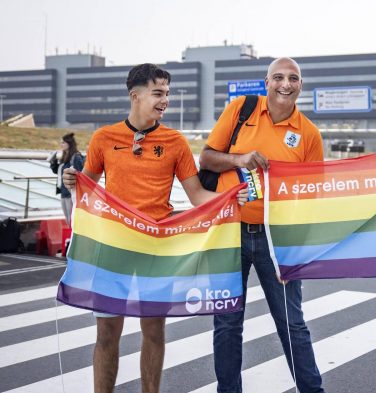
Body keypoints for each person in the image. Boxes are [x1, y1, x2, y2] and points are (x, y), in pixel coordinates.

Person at [63, 63, 247, 393]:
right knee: (106, 334)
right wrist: (69, 180)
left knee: (153, 331)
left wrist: (230, 197)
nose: (165, 101)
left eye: (168, 94)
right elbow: (86, 186)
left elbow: (196, 195)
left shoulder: (175, 142)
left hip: (156, 248)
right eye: (158, 93)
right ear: (135, 95)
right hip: (112, 248)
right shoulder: (104, 137)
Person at [200, 57, 325, 393]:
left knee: (291, 323)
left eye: (294, 78)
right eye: (279, 77)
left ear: (301, 85)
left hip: (277, 239)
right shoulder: (242, 109)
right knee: (227, 323)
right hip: (230, 231)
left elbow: (311, 196)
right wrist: (240, 159)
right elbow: (207, 157)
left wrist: (296, 252)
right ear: (267, 81)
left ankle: (312, 390)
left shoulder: (309, 134)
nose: (286, 84)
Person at [49, 133, 84, 227]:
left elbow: (82, 174)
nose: (61, 144)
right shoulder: (65, 157)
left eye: (63, 142)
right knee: (69, 220)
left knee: (73, 221)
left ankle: (74, 240)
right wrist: (53, 162)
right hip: (63, 192)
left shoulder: (75, 157)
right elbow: (58, 172)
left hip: (71, 193)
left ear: (69, 144)